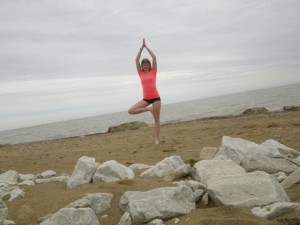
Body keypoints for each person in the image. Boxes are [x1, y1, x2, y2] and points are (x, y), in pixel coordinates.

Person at [128, 38, 161, 145]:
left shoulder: (153, 71)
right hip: (146, 99)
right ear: (142, 66)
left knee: (156, 119)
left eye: (147, 64)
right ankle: (148, 109)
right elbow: (136, 60)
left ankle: (157, 139)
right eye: (144, 64)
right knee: (131, 110)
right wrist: (141, 49)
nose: (145, 65)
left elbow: (154, 57)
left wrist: (147, 47)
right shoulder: (140, 73)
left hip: (156, 98)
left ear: (149, 65)